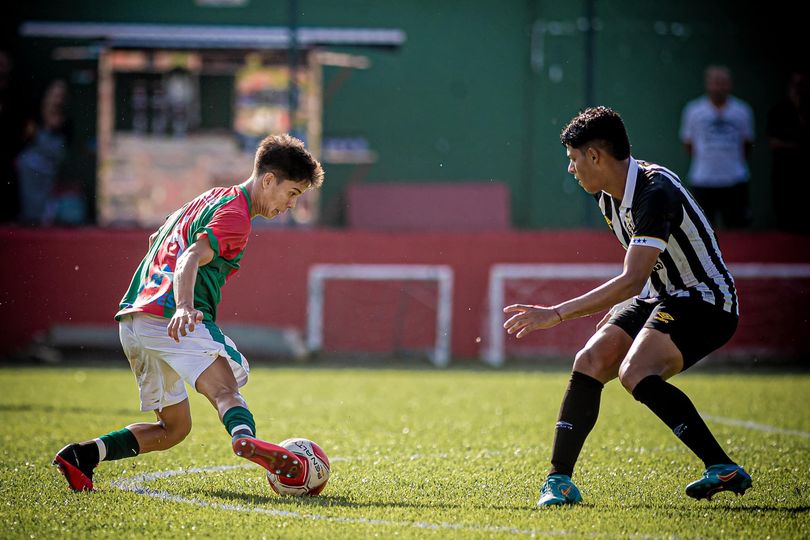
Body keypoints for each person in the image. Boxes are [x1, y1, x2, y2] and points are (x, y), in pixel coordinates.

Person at [504, 106, 751, 507]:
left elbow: (631, 279)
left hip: (706, 300)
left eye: (573, 158)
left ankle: (721, 466)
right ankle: (558, 482)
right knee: (591, 358)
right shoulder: (607, 194)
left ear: (595, 157)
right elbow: (641, 280)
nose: (571, 169)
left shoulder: (656, 193)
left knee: (635, 371)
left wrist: (556, 313)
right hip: (661, 294)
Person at [53, 134, 325, 491]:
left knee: (174, 429)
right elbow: (189, 257)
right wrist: (183, 306)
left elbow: (157, 239)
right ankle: (244, 437)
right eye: (292, 193)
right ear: (269, 180)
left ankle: (82, 456)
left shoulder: (208, 198)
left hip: (134, 320)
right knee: (227, 389)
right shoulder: (236, 216)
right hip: (171, 319)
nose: (291, 204)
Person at [680, 65, 754, 228]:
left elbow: (747, 143)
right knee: (702, 231)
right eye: (715, 82)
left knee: (739, 232)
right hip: (703, 182)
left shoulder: (742, 111)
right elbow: (688, 143)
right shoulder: (693, 111)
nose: (719, 87)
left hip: (735, 182)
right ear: (707, 84)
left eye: (723, 82)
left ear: (730, 84)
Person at [16, 79, 71, 225]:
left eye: (61, 96)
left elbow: (65, 149)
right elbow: (24, 141)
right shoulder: (34, 117)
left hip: (51, 172)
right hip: (29, 171)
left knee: (47, 213)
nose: (58, 99)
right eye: (55, 94)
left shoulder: (66, 121)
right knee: (28, 208)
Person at [767, 69, 810, 233]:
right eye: (796, 85)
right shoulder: (780, 110)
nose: (800, 89)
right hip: (784, 173)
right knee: (785, 215)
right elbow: (773, 142)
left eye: (803, 85)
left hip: (804, 173)